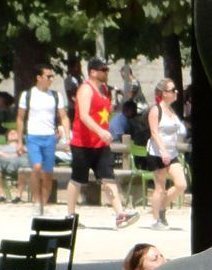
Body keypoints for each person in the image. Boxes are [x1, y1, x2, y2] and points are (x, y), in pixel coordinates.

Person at [66, 58, 139, 229]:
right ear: (93, 72)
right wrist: (100, 131)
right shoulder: (85, 89)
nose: (106, 72)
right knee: (77, 179)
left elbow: (102, 112)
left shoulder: (105, 90)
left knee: (108, 178)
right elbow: (83, 115)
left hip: (101, 144)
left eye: (107, 69)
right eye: (103, 70)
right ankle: (70, 215)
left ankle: (120, 215)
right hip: (82, 143)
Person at [16, 63, 70, 216]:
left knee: (47, 174)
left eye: (52, 76)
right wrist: (20, 141)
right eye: (48, 76)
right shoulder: (27, 95)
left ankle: (43, 205)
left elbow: (63, 117)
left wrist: (67, 137)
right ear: (39, 78)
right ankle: (36, 201)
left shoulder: (55, 96)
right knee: (37, 167)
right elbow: (20, 119)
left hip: (49, 137)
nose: (51, 79)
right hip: (33, 135)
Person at [146, 79, 187, 230]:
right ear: (164, 93)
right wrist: (163, 151)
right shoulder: (156, 110)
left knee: (181, 184)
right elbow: (154, 132)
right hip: (157, 153)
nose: (176, 92)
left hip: (172, 153)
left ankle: (162, 207)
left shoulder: (171, 110)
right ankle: (156, 219)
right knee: (160, 187)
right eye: (172, 90)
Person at [0, 129, 30, 203]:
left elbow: (35, 154)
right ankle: (1, 195)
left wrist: (24, 151)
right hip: (3, 162)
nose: (13, 133)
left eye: (15, 132)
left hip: (19, 162)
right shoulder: (0, 147)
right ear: (7, 137)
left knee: (24, 161)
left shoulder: (25, 147)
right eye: (10, 133)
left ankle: (18, 196)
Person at [63, 58, 82, 125]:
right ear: (72, 68)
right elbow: (71, 97)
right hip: (73, 109)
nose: (80, 69)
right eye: (78, 67)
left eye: (80, 66)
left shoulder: (80, 79)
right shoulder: (69, 80)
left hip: (81, 108)